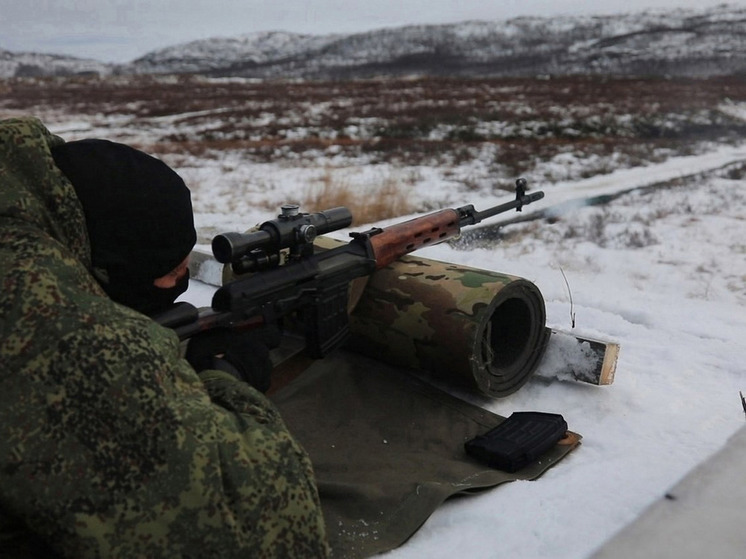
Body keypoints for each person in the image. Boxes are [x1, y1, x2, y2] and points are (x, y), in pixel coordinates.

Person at [0, 117, 329, 557]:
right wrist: (225, 372)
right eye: (170, 272)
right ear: (107, 267)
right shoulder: (50, 313)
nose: (182, 281)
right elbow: (268, 523)